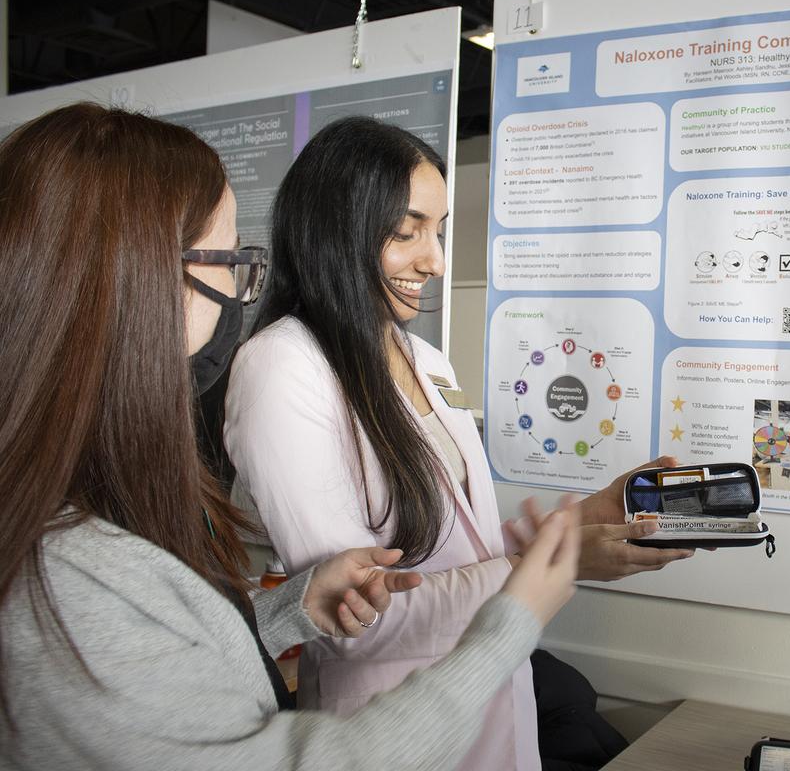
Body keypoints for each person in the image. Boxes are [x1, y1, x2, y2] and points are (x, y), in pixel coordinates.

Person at [0, 103, 579, 770]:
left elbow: (174, 646)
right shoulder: (73, 576)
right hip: (392, 717)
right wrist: (522, 599)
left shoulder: (91, 527)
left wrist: (290, 610)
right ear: (131, 281)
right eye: (228, 261)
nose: (436, 261)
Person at [223, 116, 693, 770]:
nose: (436, 260)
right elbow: (359, 618)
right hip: (390, 727)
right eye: (406, 231)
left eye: (438, 230)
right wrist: (555, 569)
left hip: (497, 696)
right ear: (338, 230)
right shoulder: (281, 367)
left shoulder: (428, 361)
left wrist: (587, 518)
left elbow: (461, 548)